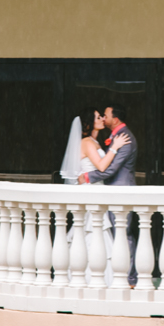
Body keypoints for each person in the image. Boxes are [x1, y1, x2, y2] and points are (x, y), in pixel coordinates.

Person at [59, 108, 129, 286]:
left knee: (96, 231)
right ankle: (90, 278)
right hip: (90, 192)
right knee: (91, 231)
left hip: (97, 191)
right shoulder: (87, 143)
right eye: (98, 117)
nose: (102, 119)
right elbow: (102, 167)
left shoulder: (94, 142)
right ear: (90, 122)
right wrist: (114, 147)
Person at [78, 105, 139, 286]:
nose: (103, 119)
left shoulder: (124, 138)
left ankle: (130, 278)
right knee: (105, 233)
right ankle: (106, 275)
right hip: (104, 193)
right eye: (99, 117)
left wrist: (87, 177)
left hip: (119, 191)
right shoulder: (94, 142)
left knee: (123, 234)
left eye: (105, 116)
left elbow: (109, 169)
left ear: (116, 119)